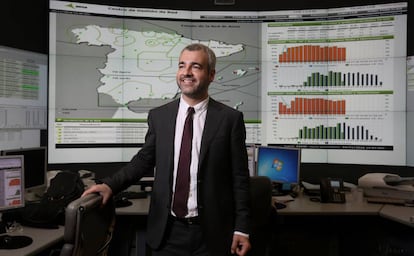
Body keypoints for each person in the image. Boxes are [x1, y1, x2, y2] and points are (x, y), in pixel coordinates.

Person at [83, 43, 251, 256]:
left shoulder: (229, 119)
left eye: (196, 66)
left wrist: (242, 228)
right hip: (168, 233)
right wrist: (110, 185)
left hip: (212, 234)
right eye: (182, 65)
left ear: (211, 75)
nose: (187, 72)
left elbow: (240, 178)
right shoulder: (159, 116)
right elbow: (143, 160)